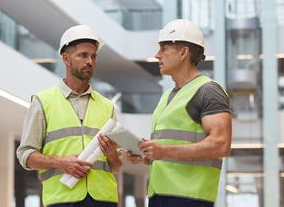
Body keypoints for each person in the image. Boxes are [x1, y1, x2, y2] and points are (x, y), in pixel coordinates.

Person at [126, 19, 232, 207]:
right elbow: (171, 149)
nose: (157, 55)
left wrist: (164, 151)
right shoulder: (168, 96)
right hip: (159, 195)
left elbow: (221, 144)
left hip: (190, 198)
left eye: (164, 48)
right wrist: (147, 155)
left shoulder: (208, 90)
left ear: (184, 52)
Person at [16, 25, 121, 207]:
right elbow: (25, 155)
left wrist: (113, 155)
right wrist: (61, 162)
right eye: (83, 55)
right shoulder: (43, 102)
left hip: (104, 200)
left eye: (94, 56)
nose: (90, 61)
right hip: (62, 200)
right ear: (66, 59)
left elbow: (117, 165)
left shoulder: (108, 106)